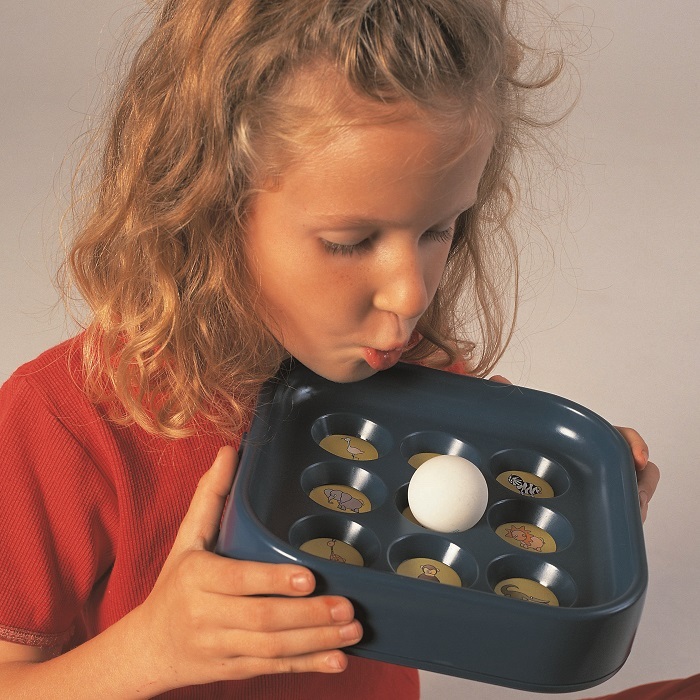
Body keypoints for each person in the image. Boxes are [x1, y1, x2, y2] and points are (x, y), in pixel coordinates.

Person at [0, 1, 660, 698]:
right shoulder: (63, 424)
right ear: (208, 207)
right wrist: (152, 650)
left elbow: (462, 578)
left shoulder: (410, 380)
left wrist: (577, 525)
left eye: (439, 229)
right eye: (351, 241)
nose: (410, 293)